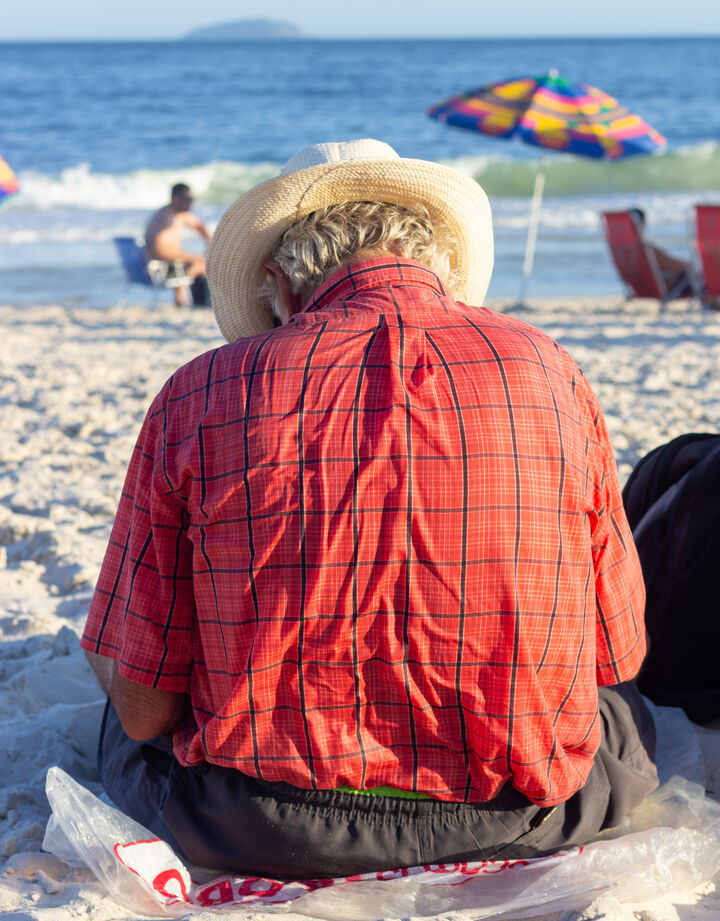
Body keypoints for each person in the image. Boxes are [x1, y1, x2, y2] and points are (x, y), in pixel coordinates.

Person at [81, 139, 658, 880]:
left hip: (263, 823)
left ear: (279, 283)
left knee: (120, 687)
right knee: (620, 716)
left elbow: (143, 711)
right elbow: (616, 650)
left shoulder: (200, 391)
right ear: (438, 261)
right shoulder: (548, 369)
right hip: (521, 814)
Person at [144, 183, 211, 306]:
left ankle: (185, 302)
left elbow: (198, 225)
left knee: (200, 262)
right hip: (161, 267)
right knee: (204, 265)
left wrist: (209, 242)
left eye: (192, 199)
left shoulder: (178, 214)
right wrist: (192, 258)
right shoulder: (166, 217)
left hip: (168, 264)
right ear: (175, 198)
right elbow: (159, 251)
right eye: (188, 199)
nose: (191, 203)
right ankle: (202, 303)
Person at [629, 207, 694, 297]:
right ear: (642, 225)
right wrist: (691, 265)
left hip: (639, 288)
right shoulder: (646, 249)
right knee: (692, 274)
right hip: (664, 287)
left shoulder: (624, 252)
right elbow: (676, 265)